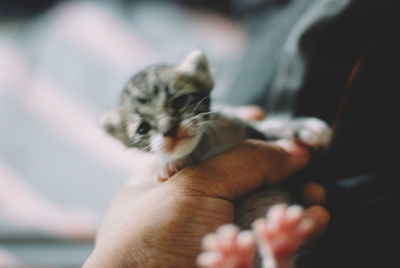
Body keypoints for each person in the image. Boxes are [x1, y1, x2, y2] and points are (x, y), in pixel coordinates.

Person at [84, 0, 400, 267]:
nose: (167, 127)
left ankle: (269, 255)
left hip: (266, 208)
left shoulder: (221, 117)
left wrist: (293, 129)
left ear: (203, 79)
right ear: (122, 137)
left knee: (279, 224)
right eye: (143, 128)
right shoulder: (162, 182)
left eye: (180, 102)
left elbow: (258, 129)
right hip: (244, 215)